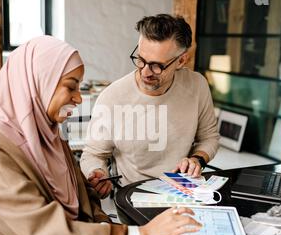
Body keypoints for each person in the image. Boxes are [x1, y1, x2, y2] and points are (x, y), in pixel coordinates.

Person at [0, 36, 202, 235]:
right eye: (70, 85)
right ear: (39, 82)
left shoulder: (49, 135)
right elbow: (42, 231)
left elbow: (77, 197)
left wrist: (92, 189)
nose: (78, 98)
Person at [80, 14, 220, 198]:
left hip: (183, 192)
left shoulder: (197, 85)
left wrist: (197, 159)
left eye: (157, 66)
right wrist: (97, 172)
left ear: (181, 61)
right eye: (141, 59)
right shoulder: (113, 97)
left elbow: (209, 137)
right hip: (134, 196)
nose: (145, 71)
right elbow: (93, 154)